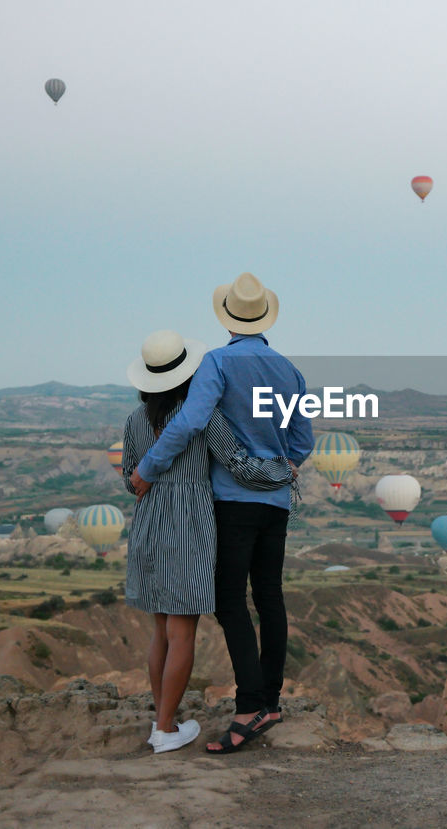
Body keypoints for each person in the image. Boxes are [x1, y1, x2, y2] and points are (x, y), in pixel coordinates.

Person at [131, 273, 314, 754]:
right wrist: (273, 470)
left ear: (227, 317)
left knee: (231, 602)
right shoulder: (290, 371)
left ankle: (250, 706)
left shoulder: (218, 362)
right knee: (270, 598)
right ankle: (269, 700)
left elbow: (191, 420)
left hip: (232, 504)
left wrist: (148, 469)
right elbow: (303, 442)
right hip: (275, 503)